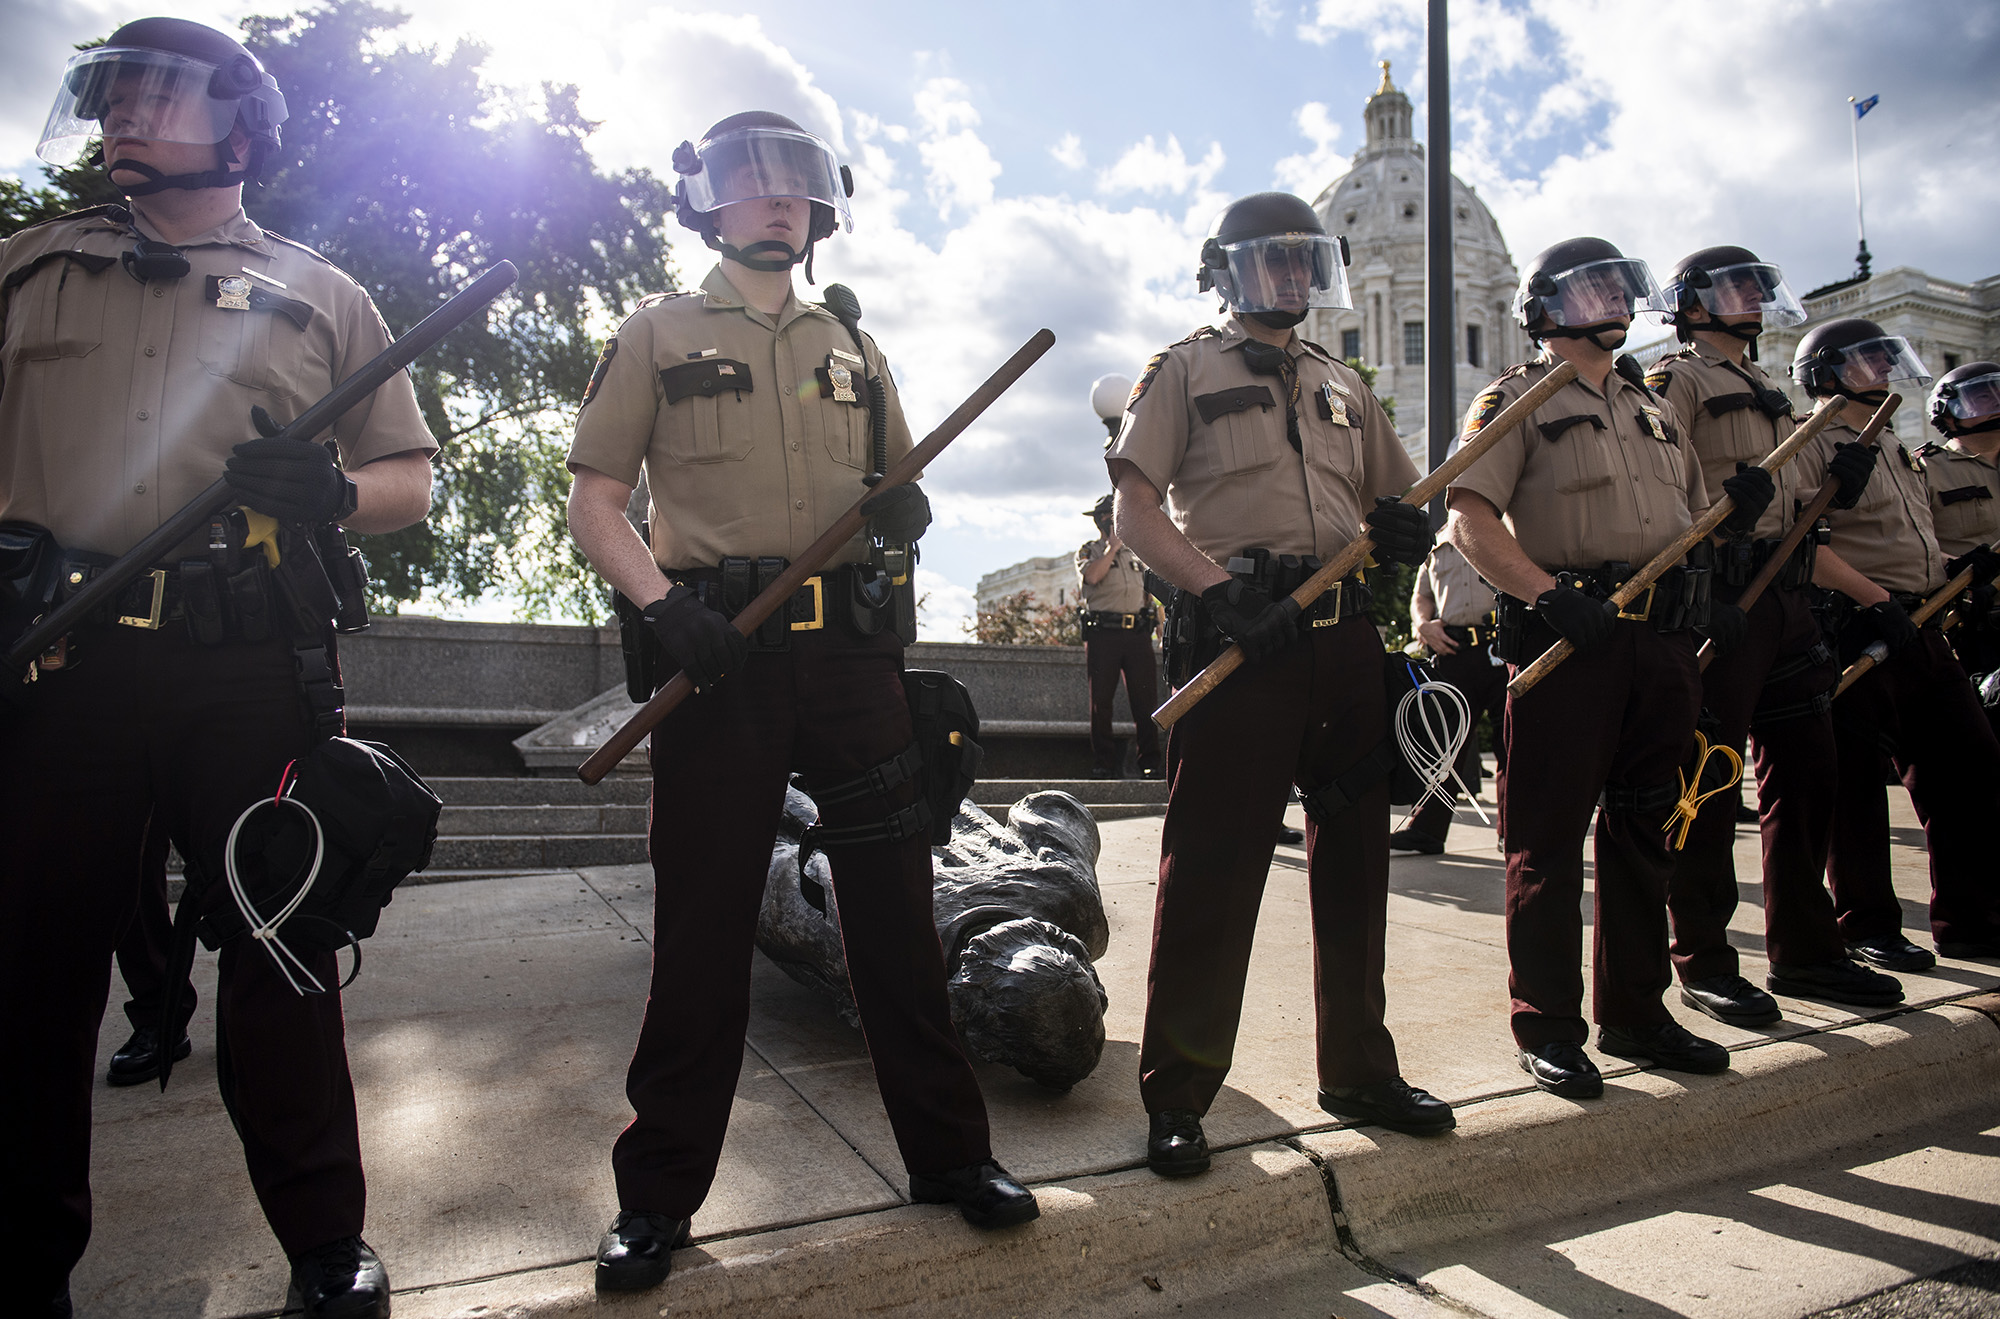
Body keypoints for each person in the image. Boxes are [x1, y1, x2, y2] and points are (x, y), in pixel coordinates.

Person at [1, 19, 438, 1318]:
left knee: (282, 941)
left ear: (240, 127)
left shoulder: (322, 292)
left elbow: (408, 478)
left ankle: (325, 1244)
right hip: (55, 666)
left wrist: (330, 487)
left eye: (158, 93)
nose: (125, 113)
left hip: (246, 665)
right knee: (31, 969)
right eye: (114, 93)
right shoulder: (23, 273)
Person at [564, 110, 1035, 1296]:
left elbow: (897, 483)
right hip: (717, 659)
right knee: (703, 929)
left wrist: (903, 515)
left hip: (852, 668)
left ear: (820, 208)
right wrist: (661, 604)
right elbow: (596, 500)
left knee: (893, 913)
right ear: (709, 202)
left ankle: (951, 1156)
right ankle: (656, 1195)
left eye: (795, 185)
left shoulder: (854, 347)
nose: (776, 200)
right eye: (750, 182)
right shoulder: (656, 333)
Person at [1107, 191, 1455, 1176]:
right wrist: (1215, 595)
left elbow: (1397, 498)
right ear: (1227, 271)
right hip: (1240, 647)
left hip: (1345, 653)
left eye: (1306, 260)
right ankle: (1177, 1095)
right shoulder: (1180, 369)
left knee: (1355, 863)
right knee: (1212, 875)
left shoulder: (1342, 381)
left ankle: (1357, 1069)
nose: (1292, 277)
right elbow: (1133, 510)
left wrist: (1405, 532)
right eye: (1272, 261)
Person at [1444, 236, 1773, 1099]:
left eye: (1622, 288)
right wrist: (1546, 595)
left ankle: (1637, 1009)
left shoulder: (1652, 406)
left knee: (1644, 831)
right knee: (1546, 842)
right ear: (1548, 308)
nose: (1615, 303)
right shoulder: (1515, 398)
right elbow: (1470, 518)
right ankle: (1548, 1023)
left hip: (1659, 643)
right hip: (1571, 638)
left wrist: (1736, 522)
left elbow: (1696, 518)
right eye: (1593, 290)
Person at [1645, 247, 1901, 1023]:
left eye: (1759, 287)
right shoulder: (1673, 377)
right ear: (1692, 303)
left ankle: (1807, 949)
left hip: (1789, 596)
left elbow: (1798, 514)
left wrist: (1832, 491)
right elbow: (1657, 488)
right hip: (1726, 591)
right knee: (1713, 780)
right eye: (1735, 288)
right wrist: (1701, 566)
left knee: (1810, 775)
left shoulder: (1772, 389)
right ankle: (1703, 958)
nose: (1753, 299)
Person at [1792, 322, 2000, 966]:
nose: (1882, 369)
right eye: (1865, 361)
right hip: (1857, 626)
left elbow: (1915, 542)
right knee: (1854, 788)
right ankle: (1867, 925)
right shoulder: (1810, 444)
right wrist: (1875, 602)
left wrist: (1963, 570)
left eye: (1887, 358)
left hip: (1922, 626)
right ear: (1825, 373)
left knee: (1972, 770)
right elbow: (1803, 542)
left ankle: (1970, 920)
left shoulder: (1896, 447)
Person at [1395, 540, 1506, 855]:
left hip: (1502, 645)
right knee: (1443, 744)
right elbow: (1422, 595)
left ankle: (1514, 832)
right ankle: (1427, 831)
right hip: (1453, 649)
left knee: (1513, 742)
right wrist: (1422, 624)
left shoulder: (1501, 528)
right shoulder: (1437, 545)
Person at [1918, 360, 2000, 734]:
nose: (1996, 402)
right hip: (1970, 625)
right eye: (1982, 397)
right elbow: (1909, 543)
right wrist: (1956, 568)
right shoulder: (1925, 470)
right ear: (1947, 412)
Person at [1076, 492, 1162, 779]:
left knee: (1146, 701)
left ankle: (1149, 763)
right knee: (1101, 702)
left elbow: (1148, 593)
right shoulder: (1090, 550)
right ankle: (1104, 764)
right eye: (1102, 516)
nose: (1106, 520)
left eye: (1111, 515)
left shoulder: (1138, 554)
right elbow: (1093, 577)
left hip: (1137, 634)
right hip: (1104, 634)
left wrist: (1160, 627)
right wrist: (1111, 548)